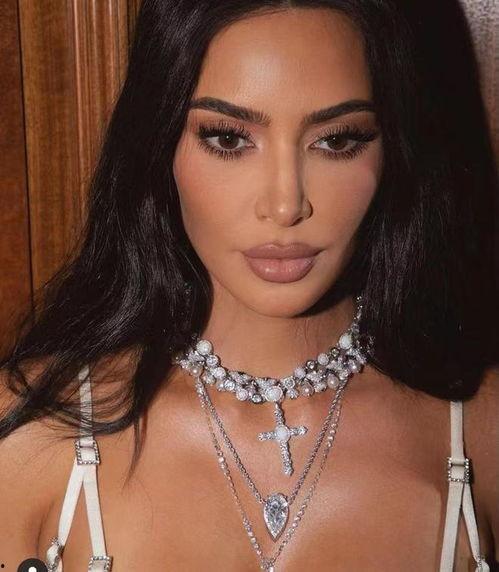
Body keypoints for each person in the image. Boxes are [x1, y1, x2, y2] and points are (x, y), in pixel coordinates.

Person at [0, 1, 497, 571]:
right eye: (229, 139)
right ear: (159, 143)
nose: (286, 205)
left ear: (395, 147)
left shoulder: (482, 433)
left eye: (337, 140)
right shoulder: (30, 438)